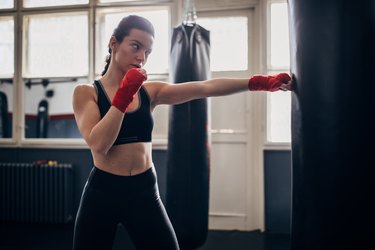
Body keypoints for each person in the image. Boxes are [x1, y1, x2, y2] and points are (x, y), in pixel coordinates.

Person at [72, 15, 292, 250]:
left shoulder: (149, 91)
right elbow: (99, 144)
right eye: (136, 46)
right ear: (114, 43)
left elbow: (204, 87)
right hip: (104, 192)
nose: (141, 57)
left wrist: (259, 82)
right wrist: (125, 95)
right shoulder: (87, 93)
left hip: (144, 190)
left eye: (148, 51)